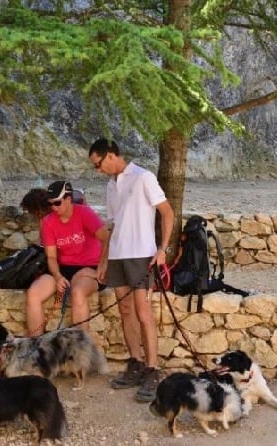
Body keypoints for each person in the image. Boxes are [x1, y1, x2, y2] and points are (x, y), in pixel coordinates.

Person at [88, 138, 174, 402]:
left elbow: (167, 212)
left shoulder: (143, 177)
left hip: (141, 254)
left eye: (99, 164)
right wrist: (103, 261)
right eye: (96, 167)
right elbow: (111, 225)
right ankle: (135, 363)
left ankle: (152, 369)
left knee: (143, 312)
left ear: (112, 155)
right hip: (117, 255)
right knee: (125, 310)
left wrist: (163, 249)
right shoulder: (110, 186)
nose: (99, 170)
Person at [25, 180, 109, 336]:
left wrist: (101, 267)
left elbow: (106, 238)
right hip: (62, 267)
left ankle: (80, 348)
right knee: (33, 294)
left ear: (69, 199)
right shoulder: (49, 222)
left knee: (78, 292)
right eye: (51, 204)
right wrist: (57, 277)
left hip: (89, 266)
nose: (53, 208)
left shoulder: (85, 213)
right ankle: (36, 346)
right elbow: (51, 256)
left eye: (57, 203)